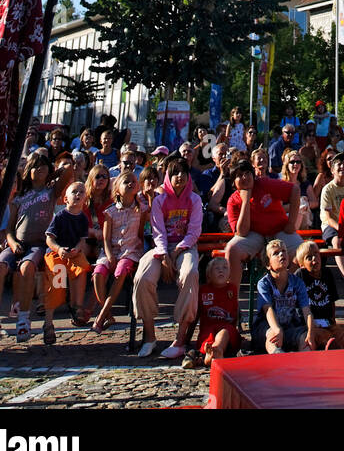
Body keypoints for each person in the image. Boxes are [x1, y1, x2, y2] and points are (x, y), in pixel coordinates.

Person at [0, 152, 76, 350]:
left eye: (43, 166)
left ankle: (23, 317)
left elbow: (68, 171)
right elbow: (9, 229)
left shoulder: (50, 192)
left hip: (38, 243)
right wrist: (12, 243)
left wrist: (52, 172)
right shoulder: (20, 197)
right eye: (35, 167)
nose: (39, 170)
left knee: (27, 268)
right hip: (17, 243)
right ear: (27, 171)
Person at [132, 156, 202, 360]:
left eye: (183, 172)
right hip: (161, 247)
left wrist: (178, 250)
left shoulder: (194, 200)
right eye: (175, 173)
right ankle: (149, 336)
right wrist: (163, 256)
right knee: (143, 277)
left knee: (190, 273)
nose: (179, 176)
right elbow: (158, 231)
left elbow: (194, 231)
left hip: (185, 247)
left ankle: (180, 339)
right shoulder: (160, 200)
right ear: (168, 177)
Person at [225, 158, 303, 286]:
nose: (245, 177)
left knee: (302, 251)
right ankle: (232, 300)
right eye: (239, 175)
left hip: (280, 230)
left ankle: (284, 288)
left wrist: (291, 223)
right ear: (233, 182)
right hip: (253, 234)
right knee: (231, 249)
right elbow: (242, 232)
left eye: (247, 173)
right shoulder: (233, 201)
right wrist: (246, 201)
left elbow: (295, 190)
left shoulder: (264, 184)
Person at [91, 170, 145, 332]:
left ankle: (101, 316)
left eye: (133, 181)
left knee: (121, 272)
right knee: (98, 274)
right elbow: (106, 239)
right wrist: (108, 255)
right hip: (111, 250)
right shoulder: (110, 212)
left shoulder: (141, 209)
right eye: (126, 182)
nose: (130, 184)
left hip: (130, 251)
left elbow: (141, 233)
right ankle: (108, 314)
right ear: (117, 190)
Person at [43, 181, 92, 343]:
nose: (78, 195)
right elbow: (49, 239)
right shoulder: (60, 217)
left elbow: (82, 241)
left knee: (82, 267)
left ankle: (77, 306)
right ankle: (48, 322)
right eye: (74, 192)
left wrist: (77, 249)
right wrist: (59, 250)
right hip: (56, 253)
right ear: (66, 199)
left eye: (81, 192)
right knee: (57, 280)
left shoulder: (83, 218)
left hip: (73, 252)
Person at [295, 241, 344, 350]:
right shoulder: (301, 275)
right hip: (311, 325)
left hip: (328, 322)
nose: (314, 259)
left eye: (316, 254)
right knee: (322, 336)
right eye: (309, 257)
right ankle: (331, 347)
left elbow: (332, 301)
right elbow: (298, 305)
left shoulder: (327, 273)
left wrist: (333, 321)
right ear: (301, 264)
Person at [251, 239, 314, 354]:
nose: (281, 254)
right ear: (268, 264)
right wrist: (277, 329)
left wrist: (310, 332)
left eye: (284, 251)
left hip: (289, 326)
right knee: (272, 336)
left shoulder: (297, 282)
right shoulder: (264, 283)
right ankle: (278, 356)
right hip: (267, 327)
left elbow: (306, 311)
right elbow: (267, 309)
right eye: (276, 253)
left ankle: (306, 362)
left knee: (305, 337)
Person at [183, 253, 241, 367]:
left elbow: (236, 312)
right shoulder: (203, 290)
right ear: (208, 275)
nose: (221, 271)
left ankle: (216, 350)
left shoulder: (232, 289)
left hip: (227, 328)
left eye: (225, 268)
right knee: (207, 338)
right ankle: (211, 354)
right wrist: (186, 339)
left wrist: (238, 329)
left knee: (224, 332)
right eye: (217, 268)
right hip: (208, 328)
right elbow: (196, 314)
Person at [280, 147, 314, 230]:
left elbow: (315, 202)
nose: (295, 164)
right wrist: (296, 205)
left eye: (298, 162)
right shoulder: (281, 185)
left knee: (302, 209)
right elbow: (280, 208)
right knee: (300, 209)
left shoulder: (305, 183)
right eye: (292, 162)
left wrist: (306, 203)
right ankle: (293, 237)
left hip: (305, 217)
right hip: (287, 216)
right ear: (287, 165)